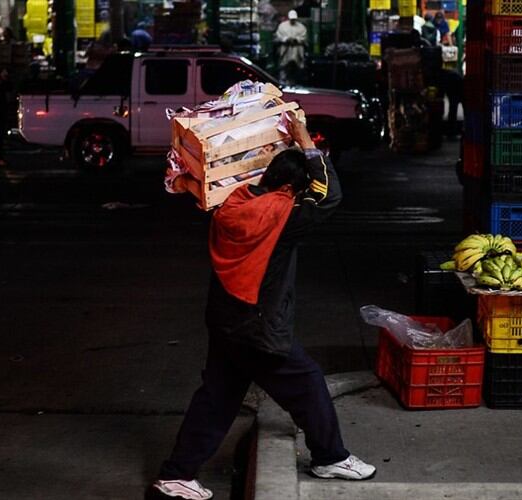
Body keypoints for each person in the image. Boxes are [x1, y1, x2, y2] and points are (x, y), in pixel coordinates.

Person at [150, 119, 376, 500]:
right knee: (307, 382)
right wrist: (305, 141)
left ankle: (177, 475)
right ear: (289, 188)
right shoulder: (282, 217)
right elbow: (330, 196)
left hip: (225, 319)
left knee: (218, 397)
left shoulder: (233, 204)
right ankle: (330, 456)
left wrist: (182, 179)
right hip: (257, 326)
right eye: (298, 190)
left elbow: (209, 186)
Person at [274, 10, 307, 85]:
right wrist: (286, 39)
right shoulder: (282, 26)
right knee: (284, 66)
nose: (293, 20)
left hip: (297, 49)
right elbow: (279, 36)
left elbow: (304, 37)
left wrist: (296, 39)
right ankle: (283, 82)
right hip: (285, 49)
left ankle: (296, 82)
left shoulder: (301, 27)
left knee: (297, 66)